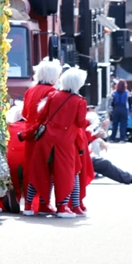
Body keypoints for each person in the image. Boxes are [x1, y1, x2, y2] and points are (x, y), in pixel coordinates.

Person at [22, 67, 89, 218]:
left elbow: (42, 114)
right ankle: (63, 206)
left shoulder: (53, 95)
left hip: (46, 138)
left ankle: (28, 205)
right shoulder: (80, 101)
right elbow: (80, 122)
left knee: (38, 171)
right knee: (66, 174)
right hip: (65, 141)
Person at [20, 58, 62, 214]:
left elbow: (24, 113)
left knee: (31, 168)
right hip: (44, 134)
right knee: (46, 170)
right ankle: (44, 202)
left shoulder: (30, 90)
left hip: (29, 132)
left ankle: (29, 204)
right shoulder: (52, 92)